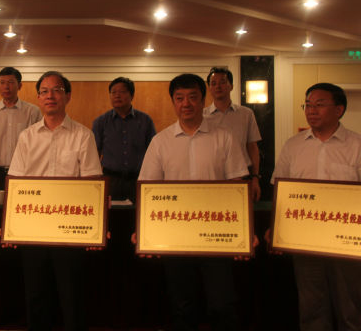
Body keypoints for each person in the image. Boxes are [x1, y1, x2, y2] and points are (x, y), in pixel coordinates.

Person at [138, 74, 249, 331]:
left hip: (216, 236)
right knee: (182, 306)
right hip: (176, 238)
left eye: (192, 97)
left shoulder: (224, 137)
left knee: (222, 305)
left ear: (203, 100)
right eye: (179, 98)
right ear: (173, 102)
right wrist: (144, 232)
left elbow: (237, 187)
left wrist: (243, 233)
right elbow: (149, 190)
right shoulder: (160, 142)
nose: (186, 103)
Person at [8, 71, 102, 331]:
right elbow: (15, 182)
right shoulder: (27, 136)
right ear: (38, 98)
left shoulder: (83, 135)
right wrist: (10, 225)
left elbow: (92, 183)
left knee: (71, 297)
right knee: (36, 296)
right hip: (33, 230)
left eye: (57, 90)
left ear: (67, 96)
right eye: (44, 91)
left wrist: (95, 229)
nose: (50, 95)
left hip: (69, 231)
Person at [271, 83, 361, 331]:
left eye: (319, 105)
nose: (311, 111)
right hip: (304, 241)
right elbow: (280, 189)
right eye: (308, 105)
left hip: (346, 243)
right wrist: (275, 228)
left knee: (351, 307)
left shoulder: (357, 145)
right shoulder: (293, 145)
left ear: (339, 110)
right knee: (312, 307)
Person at [0, 66, 41, 190]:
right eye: (2, 83)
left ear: (19, 86)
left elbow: (39, 143)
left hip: (24, 171)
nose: (6, 87)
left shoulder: (32, 111)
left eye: (11, 82)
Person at [92, 76, 155, 202]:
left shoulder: (145, 120)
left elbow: (153, 152)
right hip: (111, 180)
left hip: (138, 179)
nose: (117, 95)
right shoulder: (101, 122)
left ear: (132, 95)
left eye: (122, 92)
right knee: (110, 213)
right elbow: (94, 154)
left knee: (138, 212)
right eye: (113, 92)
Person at [204, 67, 262, 200]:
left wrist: (255, 178)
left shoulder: (246, 114)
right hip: (213, 176)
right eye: (213, 83)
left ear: (231, 86)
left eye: (222, 82)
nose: (218, 86)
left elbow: (252, 147)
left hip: (242, 175)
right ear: (209, 88)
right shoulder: (202, 117)